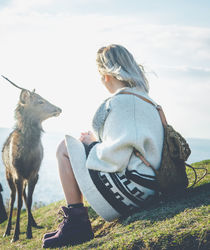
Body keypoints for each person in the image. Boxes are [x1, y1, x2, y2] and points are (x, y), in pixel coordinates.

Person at [42, 44, 164, 248]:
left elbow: (114, 158)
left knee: (65, 148)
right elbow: (128, 146)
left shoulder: (122, 101)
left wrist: (90, 145)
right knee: (75, 147)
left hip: (136, 191)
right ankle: (75, 222)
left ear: (106, 75)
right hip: (152, 186)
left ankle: (76, 224)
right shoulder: (146, 99)